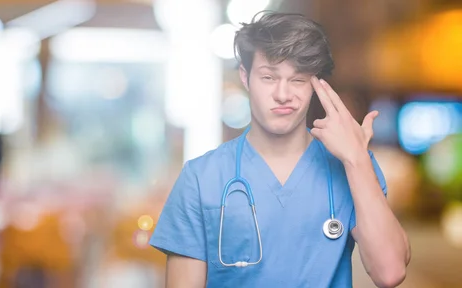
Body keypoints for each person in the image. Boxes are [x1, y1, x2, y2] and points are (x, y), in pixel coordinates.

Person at [149, 11, 411, 288]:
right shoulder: (201, 178)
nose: (283, 95)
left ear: (316, 85)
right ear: (245, 76)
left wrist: (356, 159)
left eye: (298, 80)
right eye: (269, 78)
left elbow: (390, 273)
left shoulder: (353, 166)